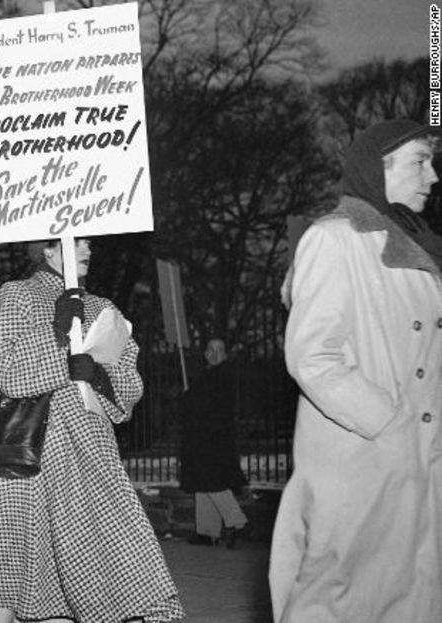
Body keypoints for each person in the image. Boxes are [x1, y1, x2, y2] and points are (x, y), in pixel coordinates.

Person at [0, 238, 183, 623]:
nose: (87, 248)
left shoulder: (104, 308)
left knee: (107, 561)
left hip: (87, 450)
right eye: (75, 241)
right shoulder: (16, 295)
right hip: (26, 453)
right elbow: (6, 371)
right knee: (9, 569)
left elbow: (131, 386)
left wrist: (100, 377)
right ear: (47, 250)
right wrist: (55, 334)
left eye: (88, 241)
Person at [271, 119, 442, 621]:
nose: (432, 177)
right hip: (366, 462)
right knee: (339, 598)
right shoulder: (335, 240)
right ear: (379, 167)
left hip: (419, 461)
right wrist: (389, 422)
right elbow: (312, 355)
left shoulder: (423, 248)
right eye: (419, 161)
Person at [179, 338, 249, 547]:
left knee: (213, 481)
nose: (215, 353)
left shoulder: (223, 376)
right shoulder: (209, 375)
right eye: (211, 349)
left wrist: (188, 398)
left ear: (226, 355)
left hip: (214, 439)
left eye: (220, 349)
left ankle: (239, 523)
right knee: (203, 481)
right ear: (205, 353)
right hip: (202, 438)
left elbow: (207, 405)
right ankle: (207, 531)